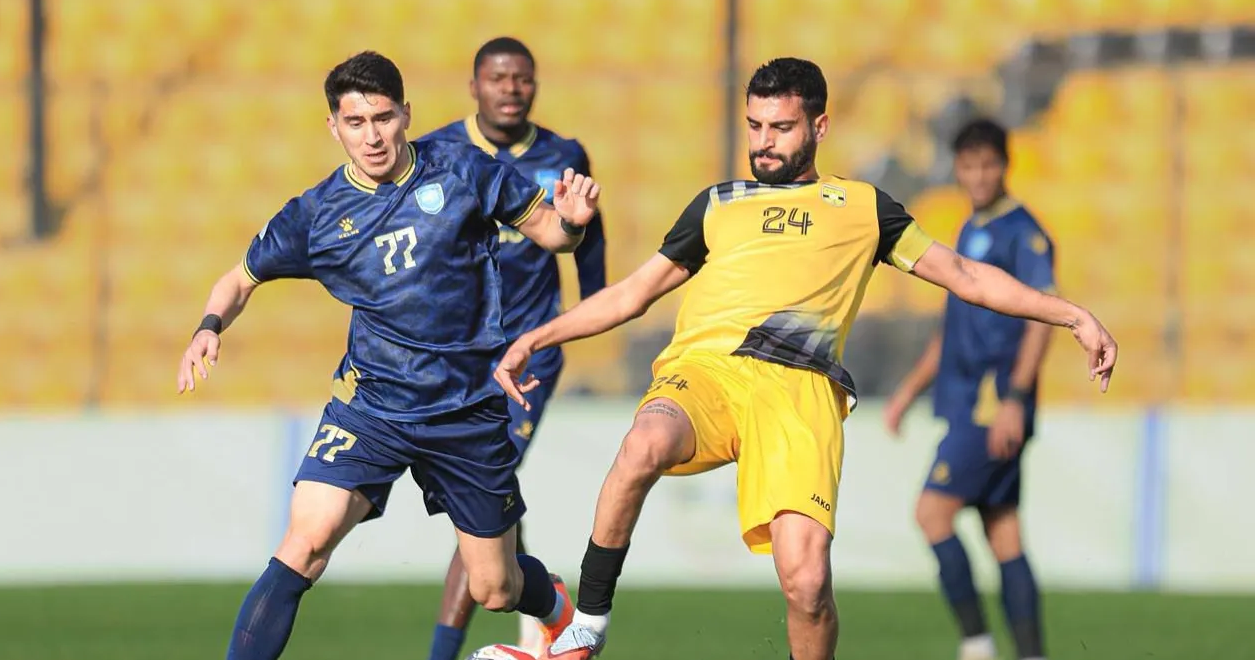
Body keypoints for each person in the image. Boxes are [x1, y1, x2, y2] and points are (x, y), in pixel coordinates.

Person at [492, 58, 1118, 660]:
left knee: (808, 585)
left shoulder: (864, 207)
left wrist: (1072, 315)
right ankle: (586, 626)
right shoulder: (718, 203)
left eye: (781, 127)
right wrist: (535, 339)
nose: (764, 142)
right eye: (755, 126)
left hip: (801, 392)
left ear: (819, 127)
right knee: (642, 444)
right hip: (707, 372)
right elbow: (632, 294)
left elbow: (966, 276)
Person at [173, 50, 601, 660]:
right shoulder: (317, 215)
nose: (371, 136)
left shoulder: (462, 170)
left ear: (406, 114)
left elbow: (551, 232)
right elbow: (239, 279)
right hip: (371, 408)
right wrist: (209, 326)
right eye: (356, 122)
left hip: (465, 408)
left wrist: (574, 224)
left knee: (496, 588)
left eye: (382, 118)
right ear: (334, 127)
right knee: (305, 542)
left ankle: (554, 606)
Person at [419, 37, 607, 660]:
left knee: (479, 495)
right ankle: (543, 598)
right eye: (497, 78)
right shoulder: (438, 152)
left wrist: (593, 307)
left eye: (521, 78)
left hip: (527, 353)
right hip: (456, 356)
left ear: (535, 86)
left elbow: (590, 238)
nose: (510, 89)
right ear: (474, 86)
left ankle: (447, 651)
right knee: (481, 499)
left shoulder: (563, 156)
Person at [883, 118, 1055, 660]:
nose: (978, 176)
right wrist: (909, 391)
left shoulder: (1024, 233)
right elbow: (951, 328)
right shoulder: (968, 229)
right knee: (1003, 531)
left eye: (988, 165)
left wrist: (1015, 399)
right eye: (968, 166)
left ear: (1005, 166)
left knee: (931, 514)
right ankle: (1030, 653)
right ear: (957, 169)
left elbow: (1041, 321)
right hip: (965, 402)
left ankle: (977, 643)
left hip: (991, 404)